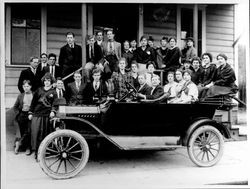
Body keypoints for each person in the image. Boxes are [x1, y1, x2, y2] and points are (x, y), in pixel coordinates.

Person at [28, 73, 56, 160]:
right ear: (43, 81)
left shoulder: (53, 92)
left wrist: (53, 111)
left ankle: (44, 153)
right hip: (37, 115)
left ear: (51, 82)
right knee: (36, 134)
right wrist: (30, 113)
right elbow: (33, 102)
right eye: (45, 80)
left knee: (45, 135)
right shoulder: (38, 90)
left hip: (47, 115)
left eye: (48, 81)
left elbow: (55, 104)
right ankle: (37, 153)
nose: (47, 82)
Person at [13, 80, 33, 155]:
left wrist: (32, 114)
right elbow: (15, 107)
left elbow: (36, 106)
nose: (26, 88)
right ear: (22, 87)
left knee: (28, 132)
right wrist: (18, 114)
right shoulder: (20, 95)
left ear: (30, 86)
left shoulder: (34, 95)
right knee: (20, 132)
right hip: (22, 115)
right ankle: (17, 147)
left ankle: (28, 148)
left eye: (27, 86)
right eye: (24, 86)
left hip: (30, 115)